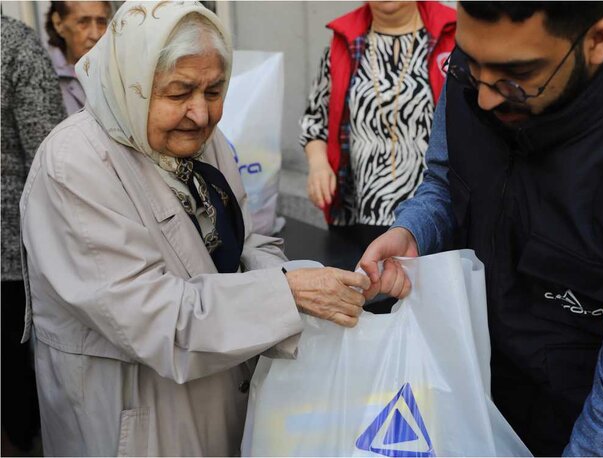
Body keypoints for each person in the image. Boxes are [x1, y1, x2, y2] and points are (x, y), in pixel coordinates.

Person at [20, 2, 370, 456]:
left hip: (220, 398)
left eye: (214, 90)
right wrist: (288, 293)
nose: (201, 114)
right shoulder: (74, 164)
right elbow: (153, 318)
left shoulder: (203, 139)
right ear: (131, 82)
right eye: (180, 91)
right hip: (134, 421)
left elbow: (247, 239)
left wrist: (313, 288)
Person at [360, 1, 603, 456]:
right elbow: (444, 181)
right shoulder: (477, 72)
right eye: (472, 64)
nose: (486, 99)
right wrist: (413, 232)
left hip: (576, 424)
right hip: (466, 390)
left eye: (518, 75)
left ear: (598, 41)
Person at [300, 1, 455, 259]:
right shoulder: (343, 41)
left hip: (430, 212)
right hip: (359, 211)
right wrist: (318, 164)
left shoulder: (452, 36)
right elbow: (315, 120)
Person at [1, 15, 66, 453]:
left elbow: (47, 158)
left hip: (10, 256)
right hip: (12, 254)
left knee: (14, 384)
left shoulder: (14, 46)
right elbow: (51, 161)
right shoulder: (16, 44)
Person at [45, 1, 111, 115]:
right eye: (83, 22)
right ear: (58, 23)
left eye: (101, 22)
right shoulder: (41, 74)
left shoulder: (117, 70)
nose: (95, 35)